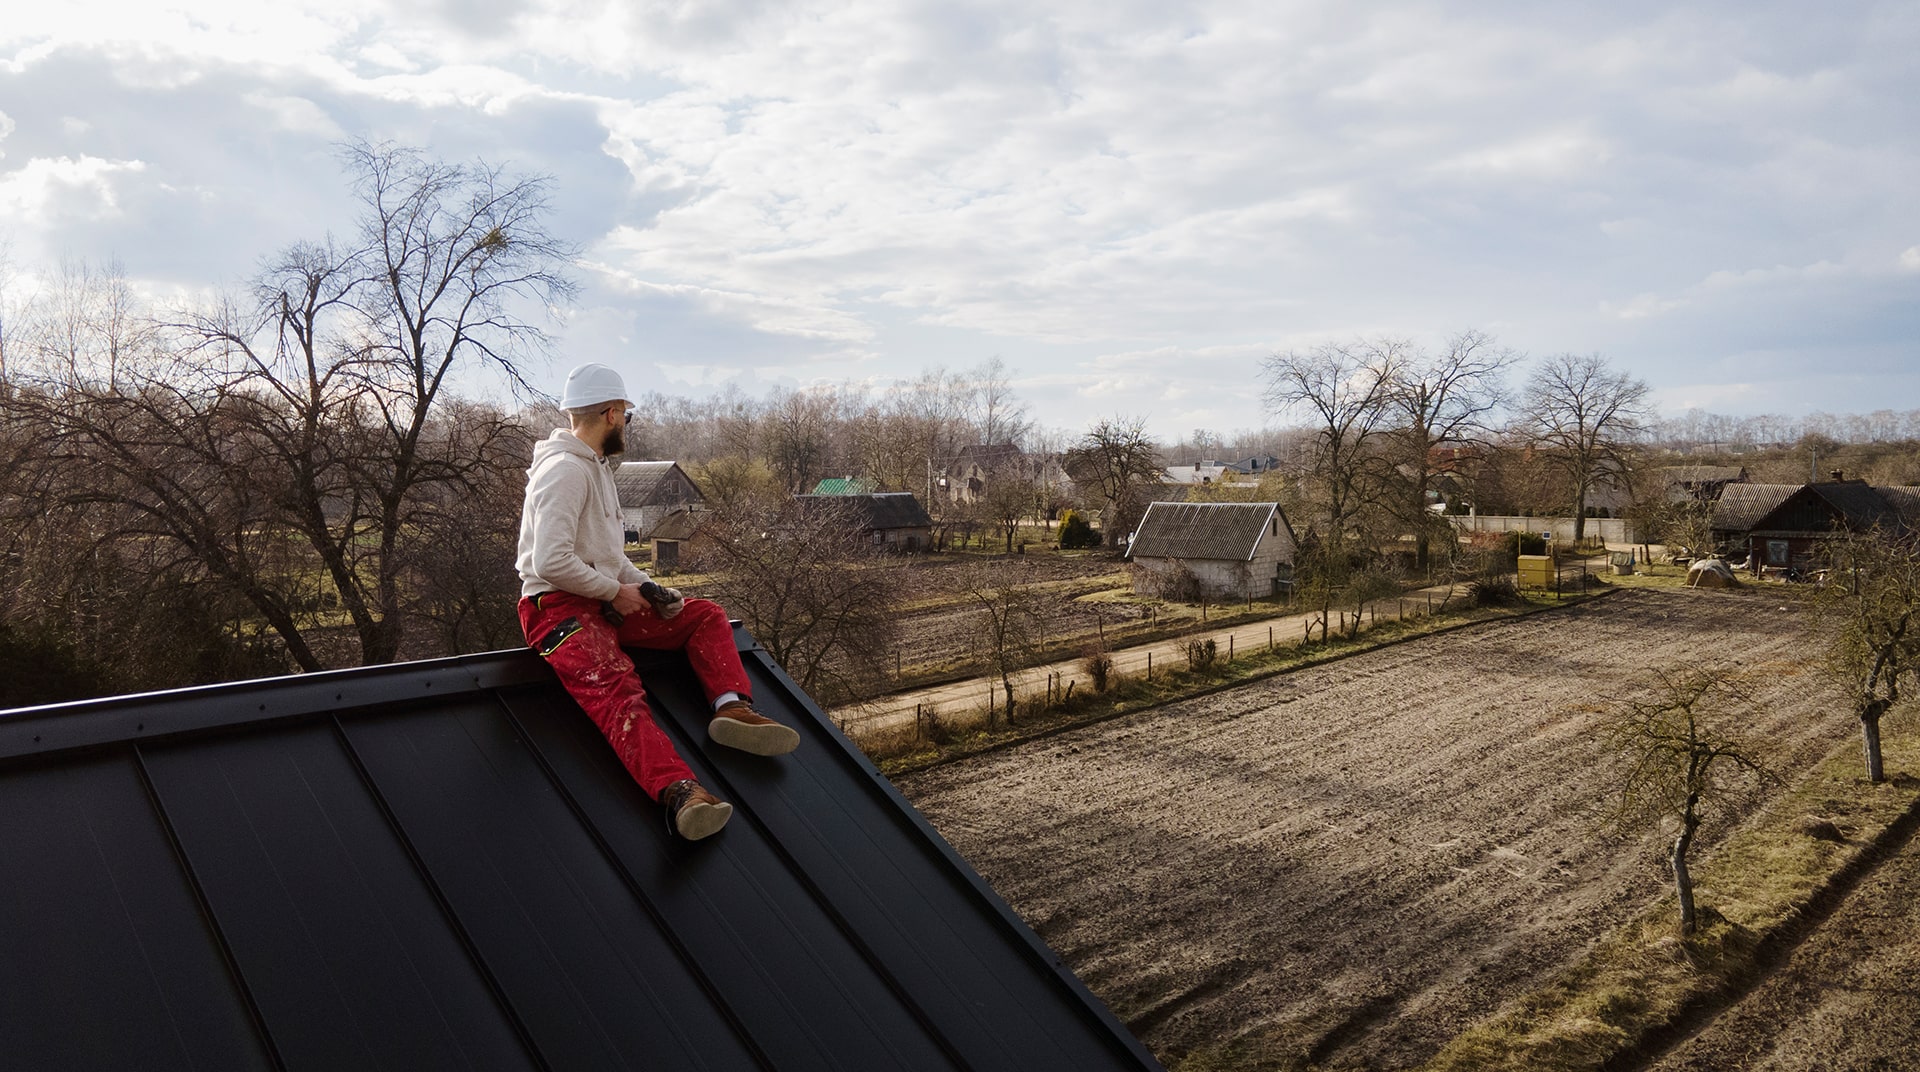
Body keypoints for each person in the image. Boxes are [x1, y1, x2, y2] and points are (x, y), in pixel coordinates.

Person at [516, 362, 798, 840]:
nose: (627, 423)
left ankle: (730, 707)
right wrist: (614, 592)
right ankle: (681, 793)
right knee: (618, 692)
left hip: (600, 599)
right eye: (626, 414)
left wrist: (648, 589)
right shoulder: (564, 471)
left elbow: (607, 558)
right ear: (610, 413)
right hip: (557, 612)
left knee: (705, 616)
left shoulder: (595, 468)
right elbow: (550, 562)